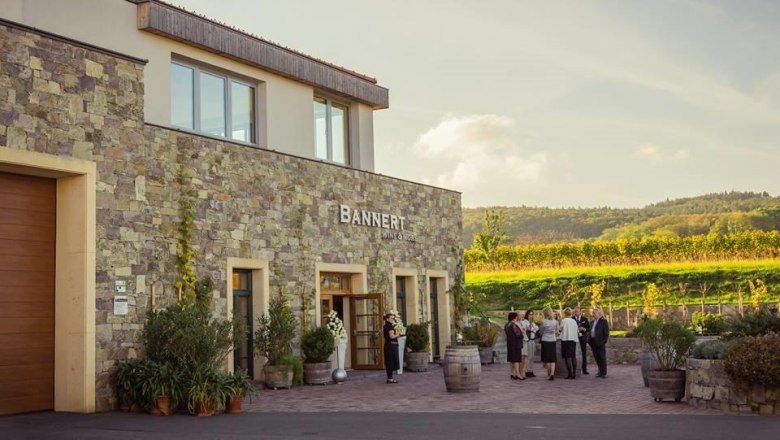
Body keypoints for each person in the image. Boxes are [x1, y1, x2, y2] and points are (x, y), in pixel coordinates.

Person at [589, 307, 610, 378]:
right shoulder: (592, 322)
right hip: (593, 341)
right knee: (596, 357)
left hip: (600, 342)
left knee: (602, 357)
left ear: (599, 313)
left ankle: (603, 373)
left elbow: (606, 333)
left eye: (594, 313)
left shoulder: (603, 321)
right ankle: (599, 371)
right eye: (593, 313)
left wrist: (603, 341)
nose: (593, 314)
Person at [539, 307, 559, 381]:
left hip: (545, 340)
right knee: (553, 358)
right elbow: (557, 331)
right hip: (553, 340)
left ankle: (549, 373)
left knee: (547, 358)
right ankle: (552, 374)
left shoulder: (543, 322)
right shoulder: (555, 321)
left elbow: (541, 332)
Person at [504, 312, 525, 381]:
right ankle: (518, 374)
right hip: (516, 344)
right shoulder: (513, 325)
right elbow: (519, 335)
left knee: (512, 360)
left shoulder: (506, 325)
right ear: (515, 317)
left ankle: (513, 374)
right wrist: (522, 332)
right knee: (516, 359)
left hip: (510, 344)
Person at [559, 307, 579, 379]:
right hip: (573, 340)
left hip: (566, 340)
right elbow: (577, 330)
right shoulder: (574, 321)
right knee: (573, 356)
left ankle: (569, 373)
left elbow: (560, 329)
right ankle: (574, 373)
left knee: (567, 357)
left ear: (564, 313)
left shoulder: (564, 321)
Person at [520, 310, 539, 378]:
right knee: (528, 356)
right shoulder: (525, 322)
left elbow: (536, 328)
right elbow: (529, 329)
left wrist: (533, 329)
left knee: (532, 356)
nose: (531, 316)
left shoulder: (533, 322)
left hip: (533, 340)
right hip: (528, 340)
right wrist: (532, 329)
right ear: (527, 315)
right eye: (530, 314)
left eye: (532, 314)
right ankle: (526, 370)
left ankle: (530, 370)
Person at [383, 312, 400, 383]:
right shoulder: (390, 326)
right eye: (391, 318)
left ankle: (389, 377)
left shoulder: (385, 326)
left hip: (387, 345)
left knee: (388, 361)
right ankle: (390, 378)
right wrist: (398, 334)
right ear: (387, 319)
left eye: (393, 318)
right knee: (391, 361)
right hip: (391, 346)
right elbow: (391, 336)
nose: (392, 319)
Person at [573, 306, 590, 375]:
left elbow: (588, 328)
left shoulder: (584, 319)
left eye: (577, 311)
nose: (576, 313)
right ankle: (575, 369)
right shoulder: (572, 319)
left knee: (583, 353)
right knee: (574, 354)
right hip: (575, 338)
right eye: (575, 311)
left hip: (582, 338)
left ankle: (584, 369)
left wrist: (584, 329)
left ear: (580, 312)